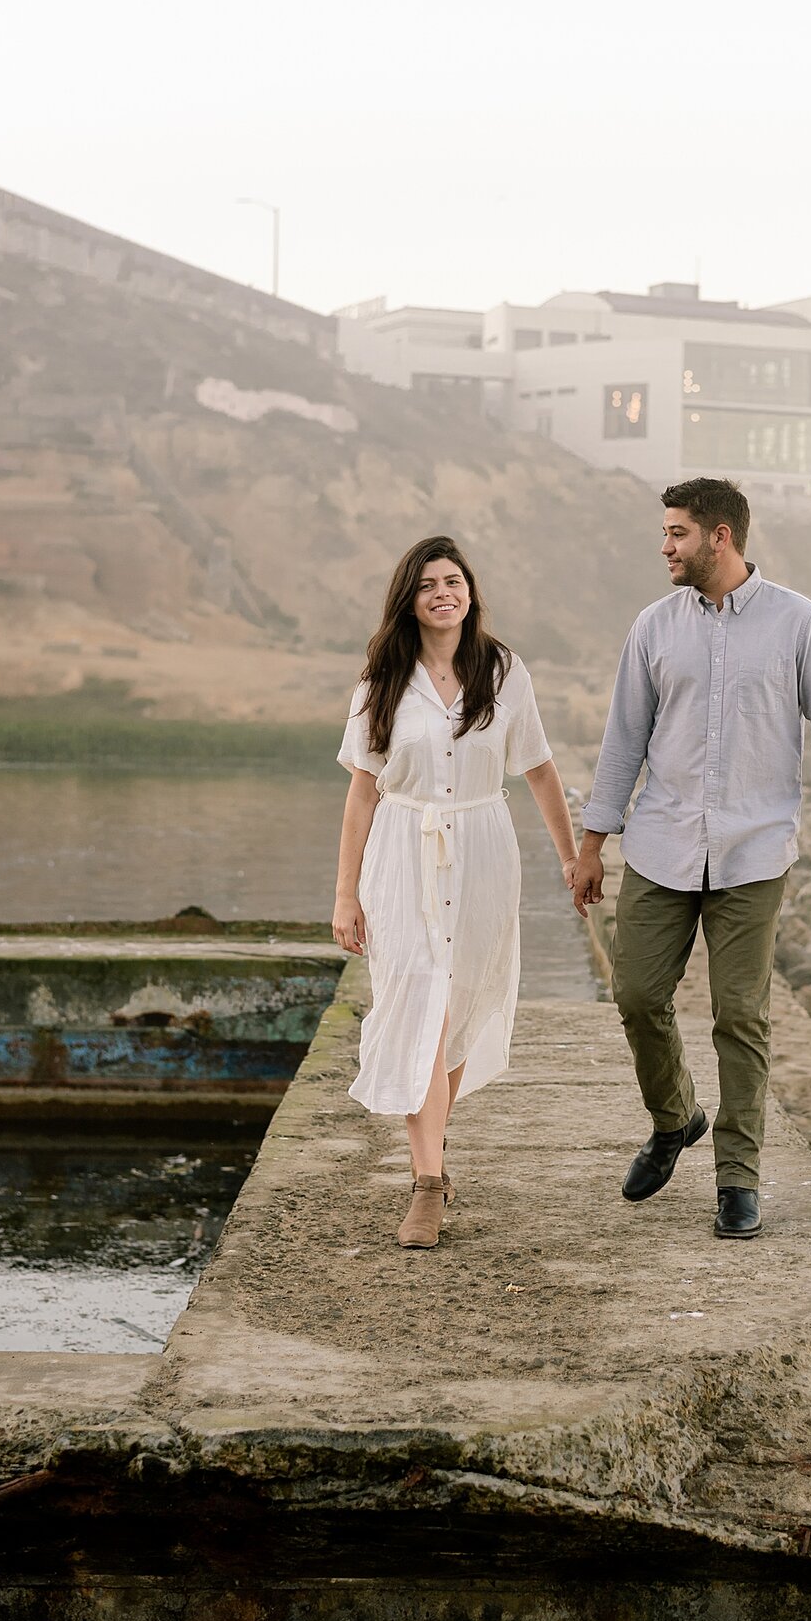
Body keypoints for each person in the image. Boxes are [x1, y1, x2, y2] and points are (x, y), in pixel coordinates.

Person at [568, 476, 811, 1241]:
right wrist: (591, 844)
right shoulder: (653, 627)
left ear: (719, 536)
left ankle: (738, 1177)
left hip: (755, 851)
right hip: (660, 846)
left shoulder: (800, 622)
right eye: (665, 533)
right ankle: (675, 1120)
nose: (665, 546)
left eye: (677, 534)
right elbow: (623, 739)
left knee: (740, 1015)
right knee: (634, 995)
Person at [333, 535, 580, 1250]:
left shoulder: (503, 671)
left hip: (482, 852)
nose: (444, 592)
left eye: (454, 580)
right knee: (417, 1006)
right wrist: (345, 895)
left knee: (461, 1004)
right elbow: (359, 796)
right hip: (402, 857)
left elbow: (537, 770)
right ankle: (428, 1184)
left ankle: (433, 1148)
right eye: (428, 584)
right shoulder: (381, 681)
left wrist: (572, 859)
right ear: (409, 600)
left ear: (470, 590)